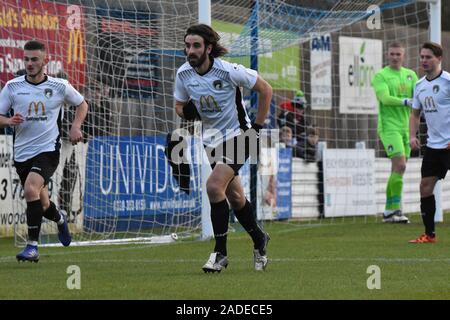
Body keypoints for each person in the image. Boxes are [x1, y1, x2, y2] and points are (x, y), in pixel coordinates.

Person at [173, 24, 272, 272]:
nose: (190, 50)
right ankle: (260, 239)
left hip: (240, 135)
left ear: (209, 48)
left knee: (214, 186)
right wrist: (190, 111)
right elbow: (179, 106)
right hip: (211, 140)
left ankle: (220, 254)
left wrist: (257, 128)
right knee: (236, 197)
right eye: (187, 45)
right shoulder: (183, 74)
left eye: (196, 46)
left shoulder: (229, 71)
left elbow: (266, 89)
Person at [0, 40, 88, 262]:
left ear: (45, 61)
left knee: (30, 189)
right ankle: (60, 219)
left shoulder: (60, 86)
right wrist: (9, 120)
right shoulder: (12, 87)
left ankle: (32, 247)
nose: (29, 63)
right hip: (22, 153)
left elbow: (82, 104)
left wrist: (76, 126)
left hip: (49, 150)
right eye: (27, 59)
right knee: (44, 203)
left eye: (34, 59)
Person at [371, 42, 418, 223]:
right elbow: (385, 98)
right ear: (387, 55)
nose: (395, 57)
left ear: (403, 55)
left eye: (398, 54)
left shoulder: (411, 75)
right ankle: (395, 209)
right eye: (392, 54)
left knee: (397, 169)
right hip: (389, 127)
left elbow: (418, 97)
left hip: (406, 127)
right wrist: (406, 101)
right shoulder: (381, 76)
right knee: (401, 165)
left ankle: (389, 210)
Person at [409, 42, 450, 244]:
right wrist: (412, 135)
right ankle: (429, 234)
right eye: (422, 57)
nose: (424, 60)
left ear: (439, 59)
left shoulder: (448, 81)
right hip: (434, 146)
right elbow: (415, 114)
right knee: (425, 186)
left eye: (428, 57)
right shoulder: (419, 86)